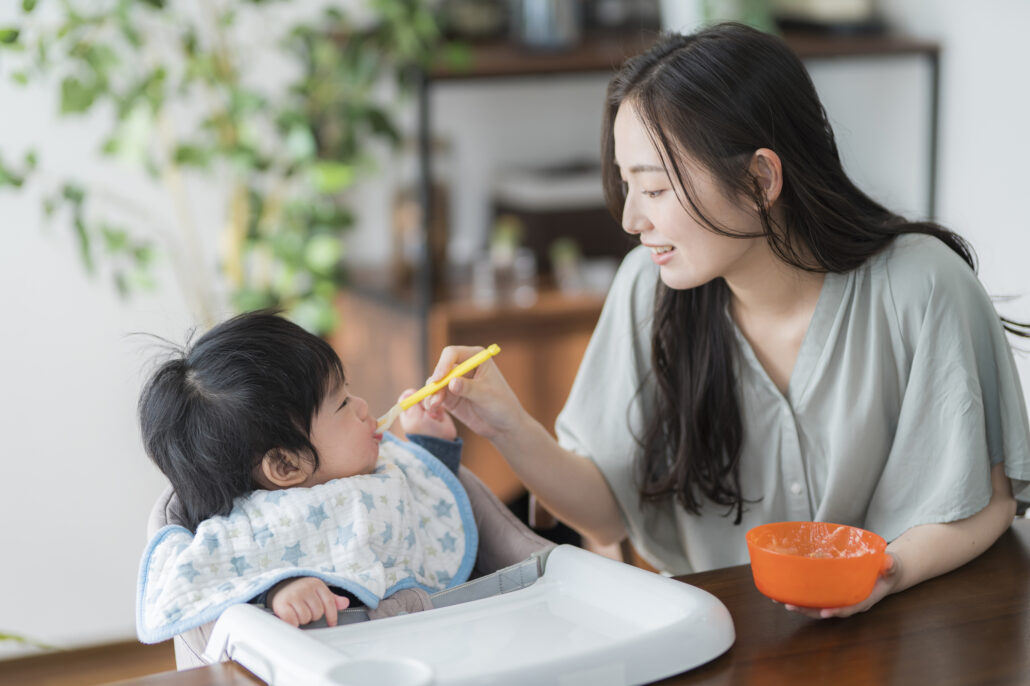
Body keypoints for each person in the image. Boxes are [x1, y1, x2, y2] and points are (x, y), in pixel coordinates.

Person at [424, 23, 1030, 619]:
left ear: (760, 179)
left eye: (655, 190)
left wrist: (884, 573)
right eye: (627, 186)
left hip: (913, 632)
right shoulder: (647, 289)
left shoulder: (924, 287)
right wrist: (507, 425)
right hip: (718, 634)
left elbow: (985, 501)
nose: (632, 218)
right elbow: (606, 514)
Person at [136, 310, 474, 640]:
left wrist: (432, 445)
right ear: (286, 466)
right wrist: (277, 590)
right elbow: (216, 584)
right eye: (341, 403)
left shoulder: (375, 466)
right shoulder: (254, 531)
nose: (362, 406)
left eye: (348, 389)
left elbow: (421, 507)